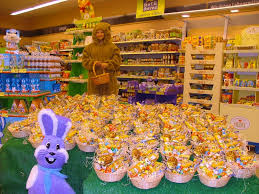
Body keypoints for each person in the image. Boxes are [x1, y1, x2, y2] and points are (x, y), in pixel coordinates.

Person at [82, 22, 122, 95]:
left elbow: (118, 61)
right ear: (94, 34)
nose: (99, 34)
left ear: (106, 33)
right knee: (94, 102)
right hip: (94, 82)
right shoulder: (88, 48)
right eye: (97, 32)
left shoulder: (113, 47)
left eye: (102, 32)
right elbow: (84, 61)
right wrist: (94, 63)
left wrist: (108, 65)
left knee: (109, 103)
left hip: (109, 82)